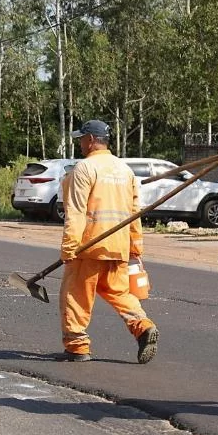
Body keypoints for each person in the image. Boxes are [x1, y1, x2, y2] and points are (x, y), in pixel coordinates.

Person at [58, 119, 159, 363]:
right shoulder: (124, 171)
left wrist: (69, 247)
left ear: (91, 140)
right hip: (118, 245)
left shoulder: (84, 169)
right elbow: (135, 213)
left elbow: (76, 212)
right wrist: (135, 247)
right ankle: (143, 326)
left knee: (75, 295)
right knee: (118, 292)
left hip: (89, 246)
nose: (80, 144)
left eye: (81, 139)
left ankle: (77, 346)